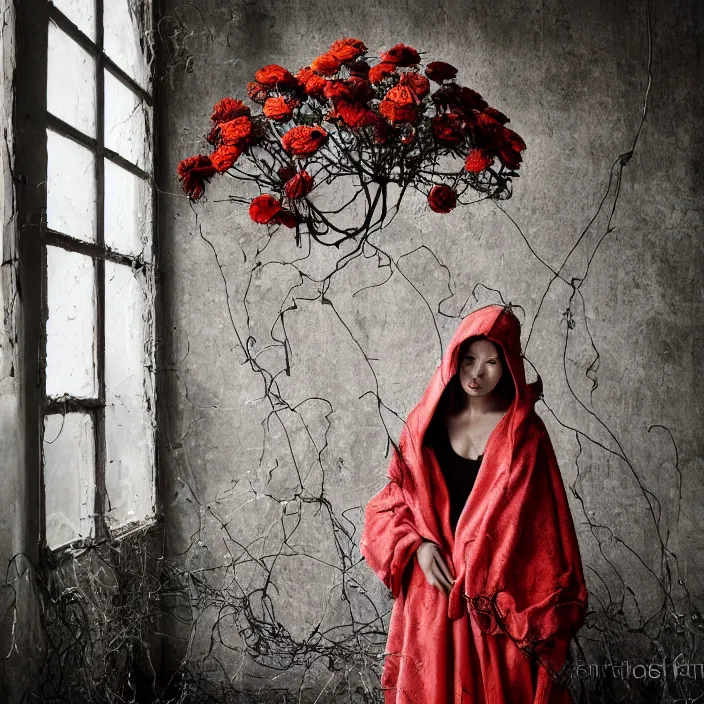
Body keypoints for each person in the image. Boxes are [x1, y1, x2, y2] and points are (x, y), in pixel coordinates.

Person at [359, 304, 588, 704]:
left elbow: (546, 533)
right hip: (431, 601)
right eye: (468, 360)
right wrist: (418, 545)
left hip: (495, 613)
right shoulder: (424, 428)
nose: (477, 374)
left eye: (491, 362)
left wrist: (488, 571)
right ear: (454, 358)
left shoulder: (526, 437)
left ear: (510, 366)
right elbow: (394, 502)